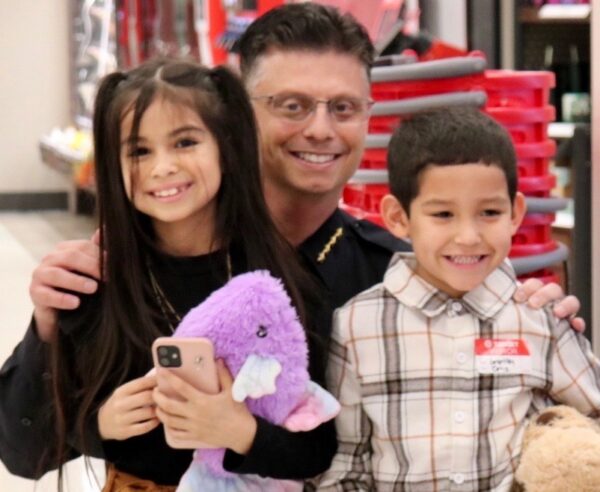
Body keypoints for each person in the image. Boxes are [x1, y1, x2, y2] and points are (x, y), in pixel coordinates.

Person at [0, 57, 337, 489]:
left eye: (184, 143)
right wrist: (98, 425)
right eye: (139, 151)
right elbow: (24, 453)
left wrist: (241, 433)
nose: (162, 168)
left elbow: (320, 448)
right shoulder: (95, 284)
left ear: (227, 147)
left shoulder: (280, 283)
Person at [316, 107, 600, 491]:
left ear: (515, 213)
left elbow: (591, 428)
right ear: (399, 217)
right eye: (444, 214)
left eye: (489, 212)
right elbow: (347, 463)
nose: (468, 236)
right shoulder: (356, 326)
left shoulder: (541, 319)